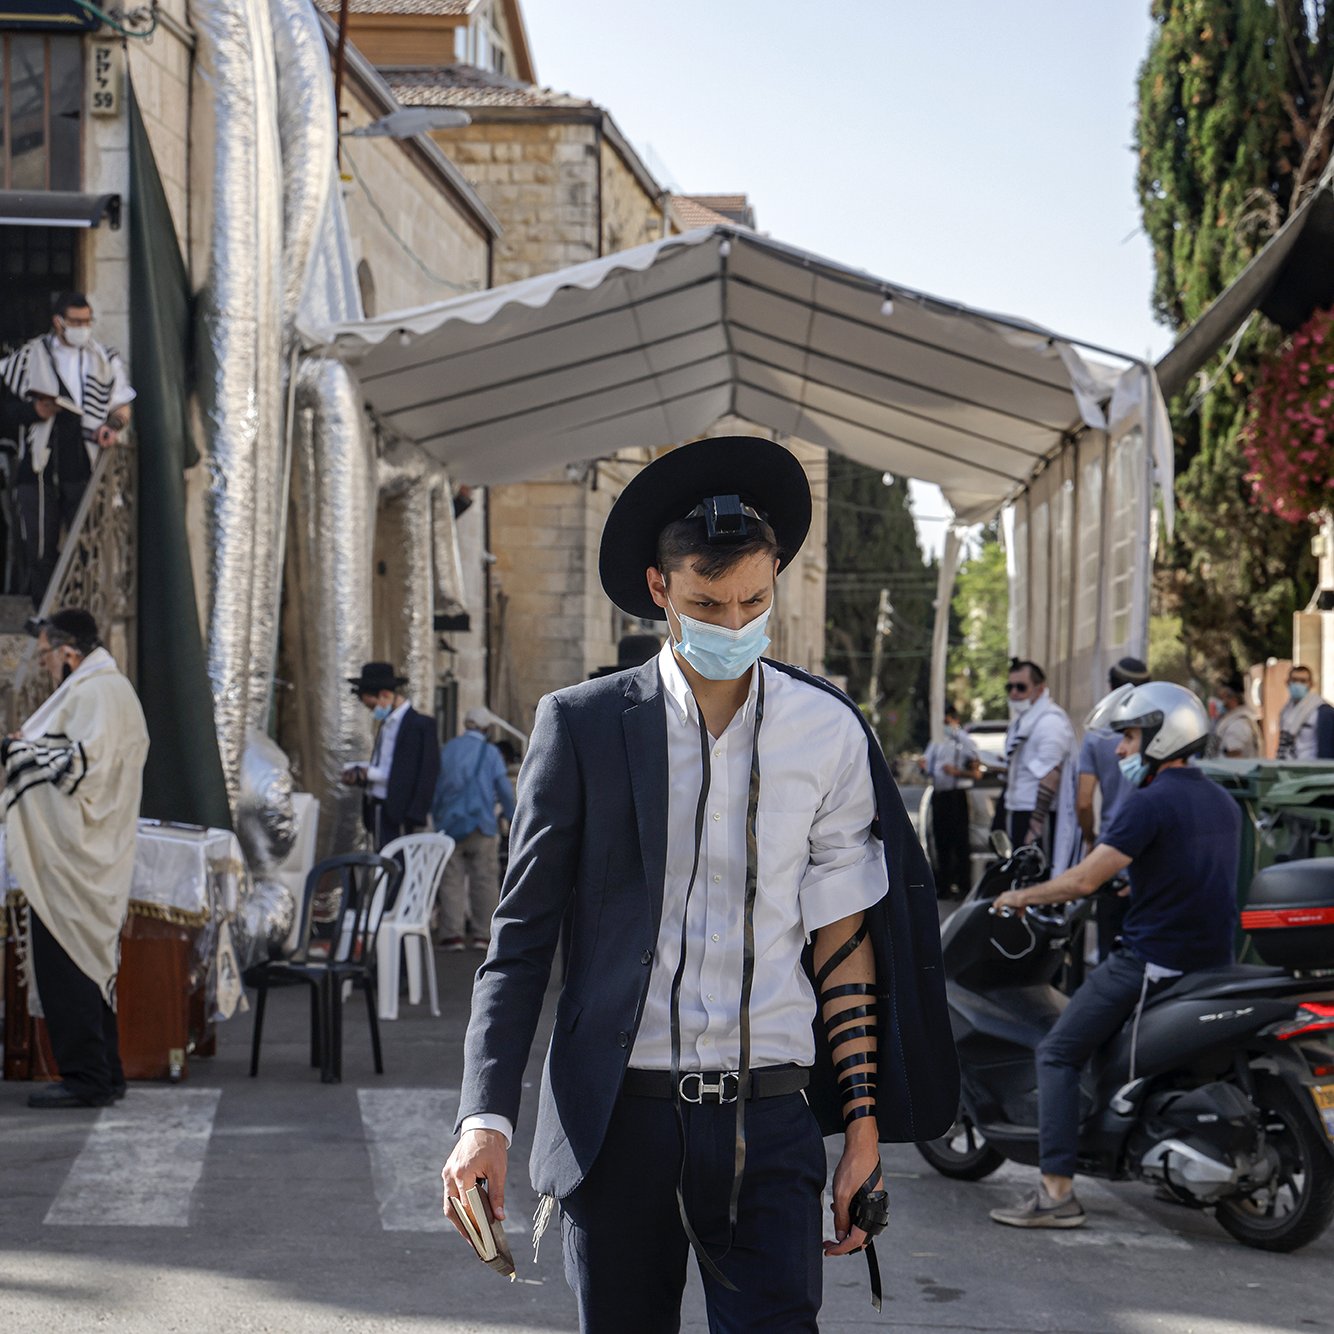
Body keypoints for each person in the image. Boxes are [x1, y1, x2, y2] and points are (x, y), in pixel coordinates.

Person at [440, 436, 957, 1332]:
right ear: (659, 591)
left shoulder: (828, 732)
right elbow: (518, 945)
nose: (733, 624)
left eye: (754, 600)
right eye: (707, 603)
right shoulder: (583, 728)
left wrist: (864, 1127)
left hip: (771, 1123)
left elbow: (844, 940)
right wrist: (483, 1117)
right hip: (619, 1123)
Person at [988, 682, 1240, 1228]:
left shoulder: (1147, 803)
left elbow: (1080, 880)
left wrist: (1018, 896)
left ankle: (1055, 1194)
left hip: (1152, 964)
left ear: (1161, 736)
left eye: (1129, 737)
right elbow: (1188, 871)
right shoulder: (1222, 801)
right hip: (1210, 964)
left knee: (1057, 1052)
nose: (1122, 750)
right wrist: (1132, 881)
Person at [2, 609, 149, 1108]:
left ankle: (87, 1078)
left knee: (70, 968)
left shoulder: (97, 693)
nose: (44, 666)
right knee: (86, 967)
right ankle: (103, 1074)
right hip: (86, 853)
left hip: (77, 858)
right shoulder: (104, 691)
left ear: (68, 654)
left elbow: (79, 768)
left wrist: (13, 753)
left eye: (45, 656)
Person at [0, 294, 135, 605]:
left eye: (87, 322)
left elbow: (122, 405)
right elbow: (7, 410)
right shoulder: (29, 357)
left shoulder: (104, 358)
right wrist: (35, 411)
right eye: (76, 322)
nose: (82, 328)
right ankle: (44, 616)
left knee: (86, 543)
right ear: (58, 322)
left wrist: (111, 427)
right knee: (39, 547)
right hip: (39, 464)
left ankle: (78, 615)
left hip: (83, 462)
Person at [1075, 658, 1151, 961]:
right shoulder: (1155, 734)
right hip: (1147, 857)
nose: (1122, 748)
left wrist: (1092, 840)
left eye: (1128, 740)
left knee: (1112, 955)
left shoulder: (1097, 736)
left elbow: (1083, 801)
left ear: (1110, 687)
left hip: (1111, 854)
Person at [432, 706, 516, 951]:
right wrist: (512, 816)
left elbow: (436, 789)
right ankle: (482, 935)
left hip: (449, 825)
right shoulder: (490, 753)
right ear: (487, 728)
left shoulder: (447, 750)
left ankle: (452, 935)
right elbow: (503, 788)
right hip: (482, 824)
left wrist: (437, 817)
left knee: (450, 880)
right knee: (484, 879)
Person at [342, 662, 439, 850]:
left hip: (401, 813)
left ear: (385, 695)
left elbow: (427, 772)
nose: (373, 711)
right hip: (378, 807)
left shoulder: (420, 726)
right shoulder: (386, 724)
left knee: (398, 865)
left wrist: (415, 814)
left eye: (372, 705)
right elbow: (385, 765)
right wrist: (361, 775)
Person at [998, 658, 1076, 857]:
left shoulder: (1050, 722)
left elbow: (1051, 775)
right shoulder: (1023, 720)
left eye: (1021, 687)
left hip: (1037, 814)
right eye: (1010, 687)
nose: (1014, 693)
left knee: (1036, 874)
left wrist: (1035, 825)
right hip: (1017, 807)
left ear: (1040, 689)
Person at [923, 705, 980, 897]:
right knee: (941, 841)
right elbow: (929, 765)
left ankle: (963, 885)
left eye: (947, 722)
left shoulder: (963, 741)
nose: (945, 726)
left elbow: (976, 768)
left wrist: (957, 772)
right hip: (940, 793)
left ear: (954, 720)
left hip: (957, 794)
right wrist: (924, 767)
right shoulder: (937, 742)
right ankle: (943, 885)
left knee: (960, 840)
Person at [1276, 664, 1334, 760]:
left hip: (1312, 768)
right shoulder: (1285, 712)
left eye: (1303, 681)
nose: (1298, 684)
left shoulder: (1322, 712)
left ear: (1310, 684)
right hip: (1288, 765)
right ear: (1288, 682)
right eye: (1294, 680)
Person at [1212, 674, 1262, 760]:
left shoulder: (1238, 725)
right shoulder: (1234, 720)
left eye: (1221, 698)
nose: (1219, 702)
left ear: (1233, 699)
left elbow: (1235, 757)